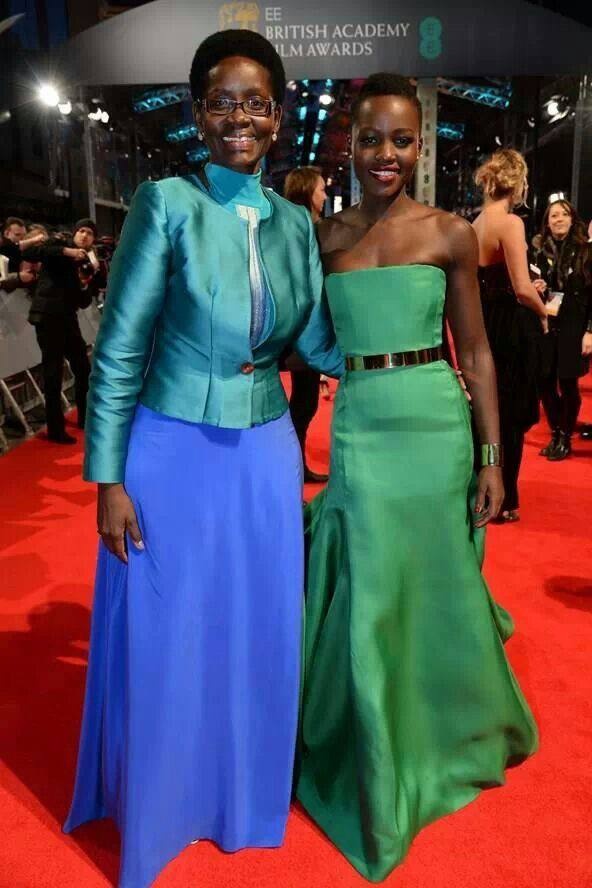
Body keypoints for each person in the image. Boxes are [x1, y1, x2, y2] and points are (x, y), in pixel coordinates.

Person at [63, 30, 342, 888]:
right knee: (169, 631)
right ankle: (162, 809)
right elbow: (118, 350)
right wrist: (107, 478)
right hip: (169, 450)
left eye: (257, 101)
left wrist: (407, 343)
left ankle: (241, 800)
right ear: (194, 112)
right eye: (221, 100)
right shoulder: (165, 204)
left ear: (280, 113)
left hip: (264, 454)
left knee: (258, 629)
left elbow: (321, 343)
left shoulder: (296, 223)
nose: (239, 117)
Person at [296, 73, 538, 882]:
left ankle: (447, 725)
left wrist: (493, 456)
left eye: (404, 140)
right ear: (350, 143)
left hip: (436, 424)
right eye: (372, 139)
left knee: (433, 583)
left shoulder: (450, 233)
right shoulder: (324, 239)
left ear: (421, 146)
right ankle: (375, 746)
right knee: (372, 584)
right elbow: (301, 336)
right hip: (363, 420)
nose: (387, 155)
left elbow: (475, 352)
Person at [472, 149, 547, 520]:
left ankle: (481, 487)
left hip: (484, 324)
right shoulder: (511, 223)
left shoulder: (474, 224)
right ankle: (506, 500)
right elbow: (521, 287)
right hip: (513, 328)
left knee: (488, 410)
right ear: (517, 182)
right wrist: (542, 312)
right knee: (513, 415)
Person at [21, 219, 103, 444]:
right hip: (47, 316)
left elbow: (84, 302)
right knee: (53, 372)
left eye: (90, 234)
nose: (85, 235)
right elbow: (37, 252)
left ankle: (85, 418)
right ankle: (55, 429)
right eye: (82, 231)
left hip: (68, 318)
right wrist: (68, 252)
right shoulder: (60, 244)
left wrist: (87, 280)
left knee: (83, 368)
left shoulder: (85, 262)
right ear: (75, 233)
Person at [531, 199, 592, 458]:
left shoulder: (585, 251)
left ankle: (565, 437)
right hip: (546, 324)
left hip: (574, 326)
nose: (558, 219)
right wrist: (536, 286)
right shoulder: (538, 250)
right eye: (553, 215)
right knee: (544, 382)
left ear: (572, 219)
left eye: (563, 215)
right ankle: (556, 431)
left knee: (568, 384)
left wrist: (590, 330)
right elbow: (529, 279)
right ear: (547, 221)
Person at [284, 165, 329, 482]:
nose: (325, 195)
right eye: (321, 188)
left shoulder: (294, 227)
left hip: (301, 327)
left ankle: (294, 467)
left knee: (304, 401)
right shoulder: (308, 230)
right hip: (303, 328)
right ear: (307, 193)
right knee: (304, 403)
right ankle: (292, 468)